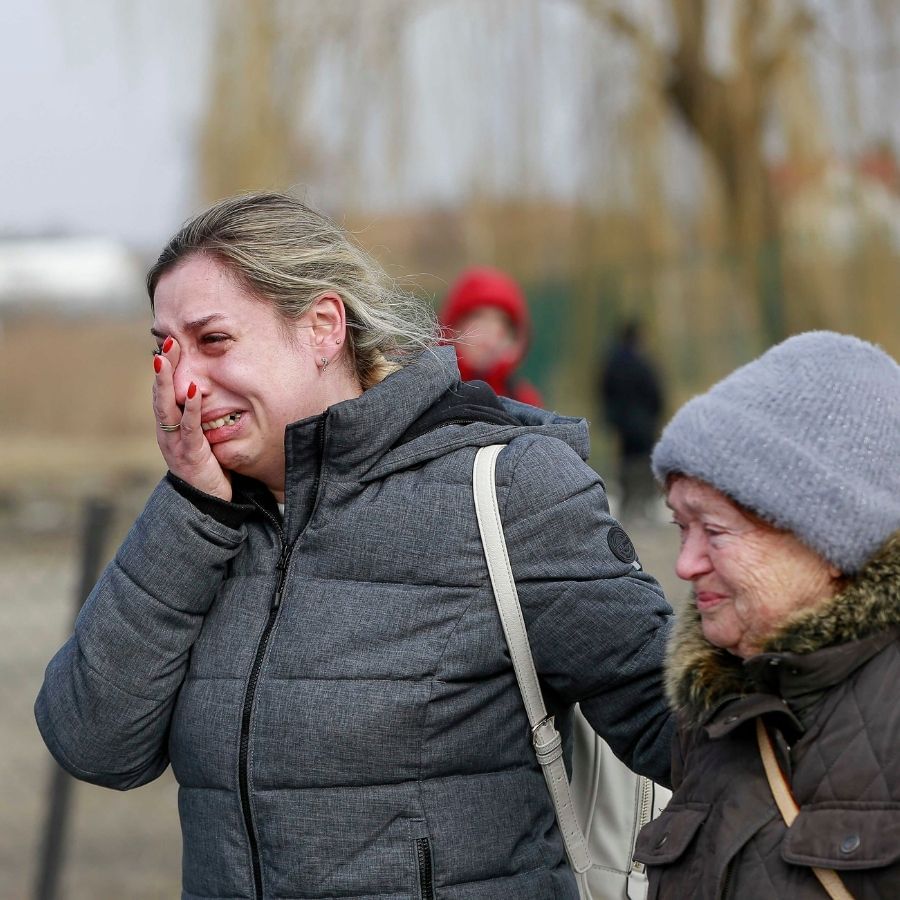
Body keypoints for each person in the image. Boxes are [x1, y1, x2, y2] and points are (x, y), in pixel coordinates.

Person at [35, 191, 675, 900]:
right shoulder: (203, 516)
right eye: (165, 349)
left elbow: (686, 728)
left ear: (322, 328)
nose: (183, 383)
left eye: (214, 341)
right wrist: (189, 506)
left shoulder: (507, 490)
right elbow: (93, 743)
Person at [634, 331, 900, 898]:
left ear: (831, 543)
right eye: (681, 527)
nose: (684, 564)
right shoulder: (713, 702)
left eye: (716, 530)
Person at [439, 265, 543, 405]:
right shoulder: (429, 390)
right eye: (478, 317)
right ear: (454, 325)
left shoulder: (524, 400)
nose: (489, 332)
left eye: (501, 322)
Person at [599, 320, 664, 520]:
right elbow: (655, 393)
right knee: (644, 461)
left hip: (622, 422)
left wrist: (612, 416)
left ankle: (628, 504)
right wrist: (654, 414)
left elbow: (604, 390)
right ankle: (644, 504)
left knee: (626, 460)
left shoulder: (612, 363)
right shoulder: (643, 363)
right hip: (642, 422)